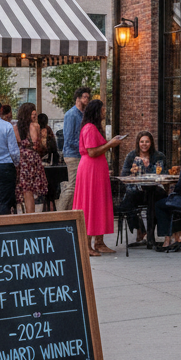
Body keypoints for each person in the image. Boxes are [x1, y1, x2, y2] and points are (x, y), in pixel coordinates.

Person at [73, 98, 127, 256]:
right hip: (90, 169)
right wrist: (110, 144)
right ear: (97, 111)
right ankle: (87, 244)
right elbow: (92, 151)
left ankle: (99, 242)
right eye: (103, 109)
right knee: (90, 203)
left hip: (96, 169)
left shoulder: (94, 127)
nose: (105, 111)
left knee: (99, 203)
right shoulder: (89, 128)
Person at [120, 131, 167, 244]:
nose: (144, 144)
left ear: (151, 143)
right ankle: (142, 229)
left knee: (153, 196)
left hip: (155, 189)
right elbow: (123, 175)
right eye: (142, 142)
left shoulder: (158, 156)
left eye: (147, 141)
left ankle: (150, 235)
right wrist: (131, 172)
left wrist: (148, 166)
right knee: (127, 201)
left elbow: (163, 173)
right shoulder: (132, 156)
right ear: (138, 143)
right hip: (137, 190)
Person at [55, 85, 90, 211]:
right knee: (72, 186)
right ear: (78, 98)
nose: (87, 100)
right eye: (85, 97)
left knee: (77, 186)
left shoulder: (82, 114)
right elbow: (69, 138)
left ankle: (69, 212)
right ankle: (61, 214)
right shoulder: (71, 115)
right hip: (73, 155)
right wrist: (85, 147)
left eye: (88, 97)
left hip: (79, 154)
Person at [14, 103, 46, 214]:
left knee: (24, 188)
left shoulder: (15, 128)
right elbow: (38, 144)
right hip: (32, 157)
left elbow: (15, 144)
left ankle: (26, 213)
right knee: (31, 189)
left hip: (21, 158)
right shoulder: (35, 126)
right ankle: (31, 214)